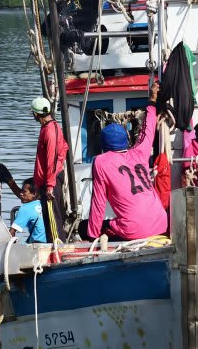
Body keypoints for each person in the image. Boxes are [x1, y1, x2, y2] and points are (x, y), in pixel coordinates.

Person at [82, 82, 168, 240]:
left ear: (103, 144)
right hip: (161, 222)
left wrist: (93, 236)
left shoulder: (101, 162)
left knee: (84, 227)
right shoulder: (139, 152)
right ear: (126, 140)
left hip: (134, 229)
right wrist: (152, 101)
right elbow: (148, 130)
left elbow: (98, 202)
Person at [31, 97, 70, 243]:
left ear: (35, 114)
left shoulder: (49, 131)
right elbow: (64, 148)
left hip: (51, 181)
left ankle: (57, 252)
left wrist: (49, 185)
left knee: (53, 221)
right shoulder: (51, 127)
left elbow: (51, 160)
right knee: (54, 219)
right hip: (53, 177)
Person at [9, 178, 46, 243]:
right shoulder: (46, 204)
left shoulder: (26, 208)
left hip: (36, 245)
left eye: (24, 191)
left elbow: (11, 233)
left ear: (34, 194)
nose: (21, 194)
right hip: (51, 243)